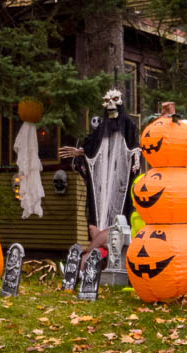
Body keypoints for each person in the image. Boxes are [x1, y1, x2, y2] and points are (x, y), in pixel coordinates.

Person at [59, 88, 139, 255]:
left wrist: (136, 159)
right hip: (102, 188)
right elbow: (92, 147)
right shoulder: (102, 130)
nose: (110, 104)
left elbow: (134, 147)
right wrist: (80, 152)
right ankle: (91, 257)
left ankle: (86, 254)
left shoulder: (128, 126)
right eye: (107, 101)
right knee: (96, 222)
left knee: (117, 220)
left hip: (121, 183)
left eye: (115, 100)